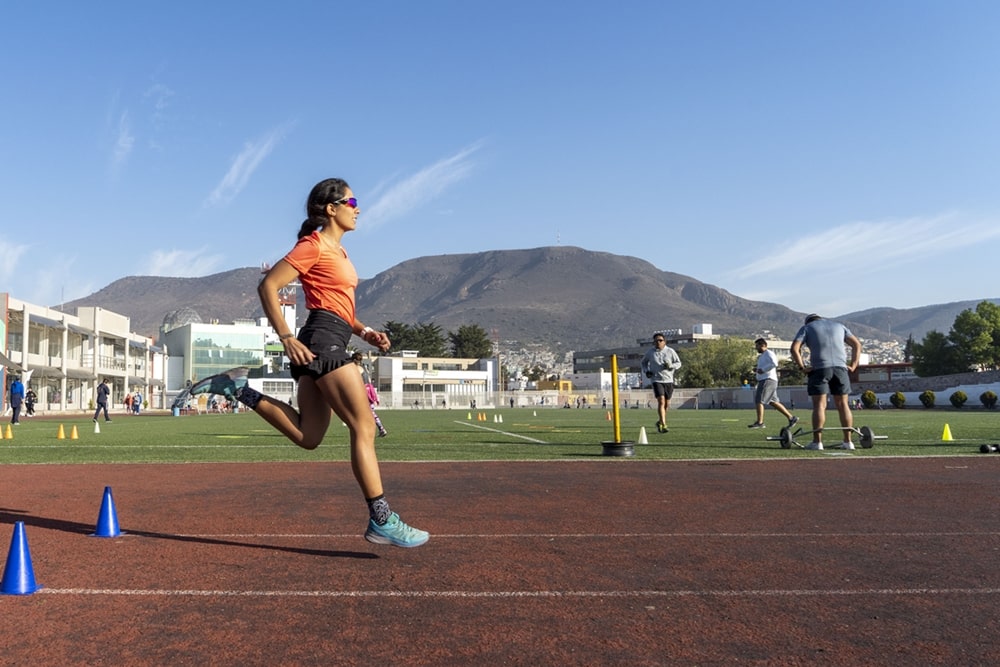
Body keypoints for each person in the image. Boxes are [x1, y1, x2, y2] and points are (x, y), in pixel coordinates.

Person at [181, 178, 427, 548]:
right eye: (352, 201)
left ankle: (238, 389)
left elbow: (337, 303)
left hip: (331, 337)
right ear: (332, 208)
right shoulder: (312, 246)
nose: (358, 208)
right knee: (364, 427)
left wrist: (365, 332)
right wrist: (286, 337)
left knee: (309, 437)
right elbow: (269, 286)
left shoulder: (338, 252)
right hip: (322, 342)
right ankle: (382, 519)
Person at [790, 314, 863, 451]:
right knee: (843, 405)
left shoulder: (807, 328)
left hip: (819, 369)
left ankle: (817, 443)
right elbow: (857, 344)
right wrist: (853, 364)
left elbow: (794, 348)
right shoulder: (839, 326)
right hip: (840, 368)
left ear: (808, 321)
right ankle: (848, 442)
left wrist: (802, 367)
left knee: (820, 405)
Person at [748, 338, 798, 430]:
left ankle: (760, 422)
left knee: (759, 400)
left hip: (768, 380)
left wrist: (762, 370)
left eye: (757, 346)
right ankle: (791, 418)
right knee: (773, 402)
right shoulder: (762, 356)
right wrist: (758, 370)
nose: (756, 348)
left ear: (763, 345)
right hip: (766, 380)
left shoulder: (769, 353)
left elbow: (774, 363)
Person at [641, 333, 682, 433]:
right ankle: (664, 425)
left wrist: (671, 366)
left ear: (665, 342)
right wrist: (647, 371)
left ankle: (659, 421)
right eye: (656, 341)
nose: (658, 342)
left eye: (660, 340)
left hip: (668, 380)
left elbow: (679, 363)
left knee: (667, 405)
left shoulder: (670, 351)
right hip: (656, 380)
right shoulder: (650, 352)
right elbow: (643, 362)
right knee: (661, 401)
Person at [352, 351, 387, 437]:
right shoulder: (364, 368)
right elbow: (369, 380)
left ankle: (378, 429)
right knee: (370, 412)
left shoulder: (357, 368)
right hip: (368, 390)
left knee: (362, 411)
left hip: (362, 391)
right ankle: (380, 429)